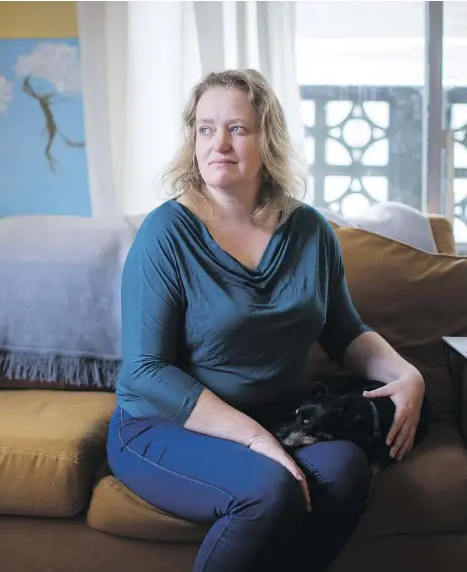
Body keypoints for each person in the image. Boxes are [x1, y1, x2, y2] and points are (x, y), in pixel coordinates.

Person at [107, 69, 426, 572]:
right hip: (163, 425)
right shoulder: (166, 232)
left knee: (345, 471)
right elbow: (145, 371)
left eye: (238, 129)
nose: (219, 144)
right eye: (206, 128)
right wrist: (254, 439)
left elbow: (345, 332)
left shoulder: (310, 231)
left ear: (267, 139)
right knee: (266, 490)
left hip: (276, 418)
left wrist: (408, 374)